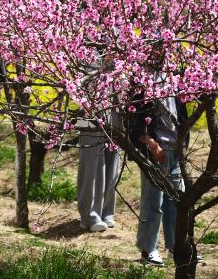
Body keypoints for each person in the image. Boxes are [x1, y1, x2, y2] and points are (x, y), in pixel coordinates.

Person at [129, 95, 188, 267]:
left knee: (176, 201)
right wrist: (150, 142)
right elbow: (133, 120)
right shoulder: (143, 85)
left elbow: (182, 115)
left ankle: (176, 247)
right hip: (155, 151)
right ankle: (148, 248)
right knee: (153, 201)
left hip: (176, 149)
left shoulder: (176, 84)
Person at [75, 115, 118, 233]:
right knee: (91, 167)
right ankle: (89, 218)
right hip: (91, 116)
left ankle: (106, 212)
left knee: (112, 165)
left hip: (116, 115)